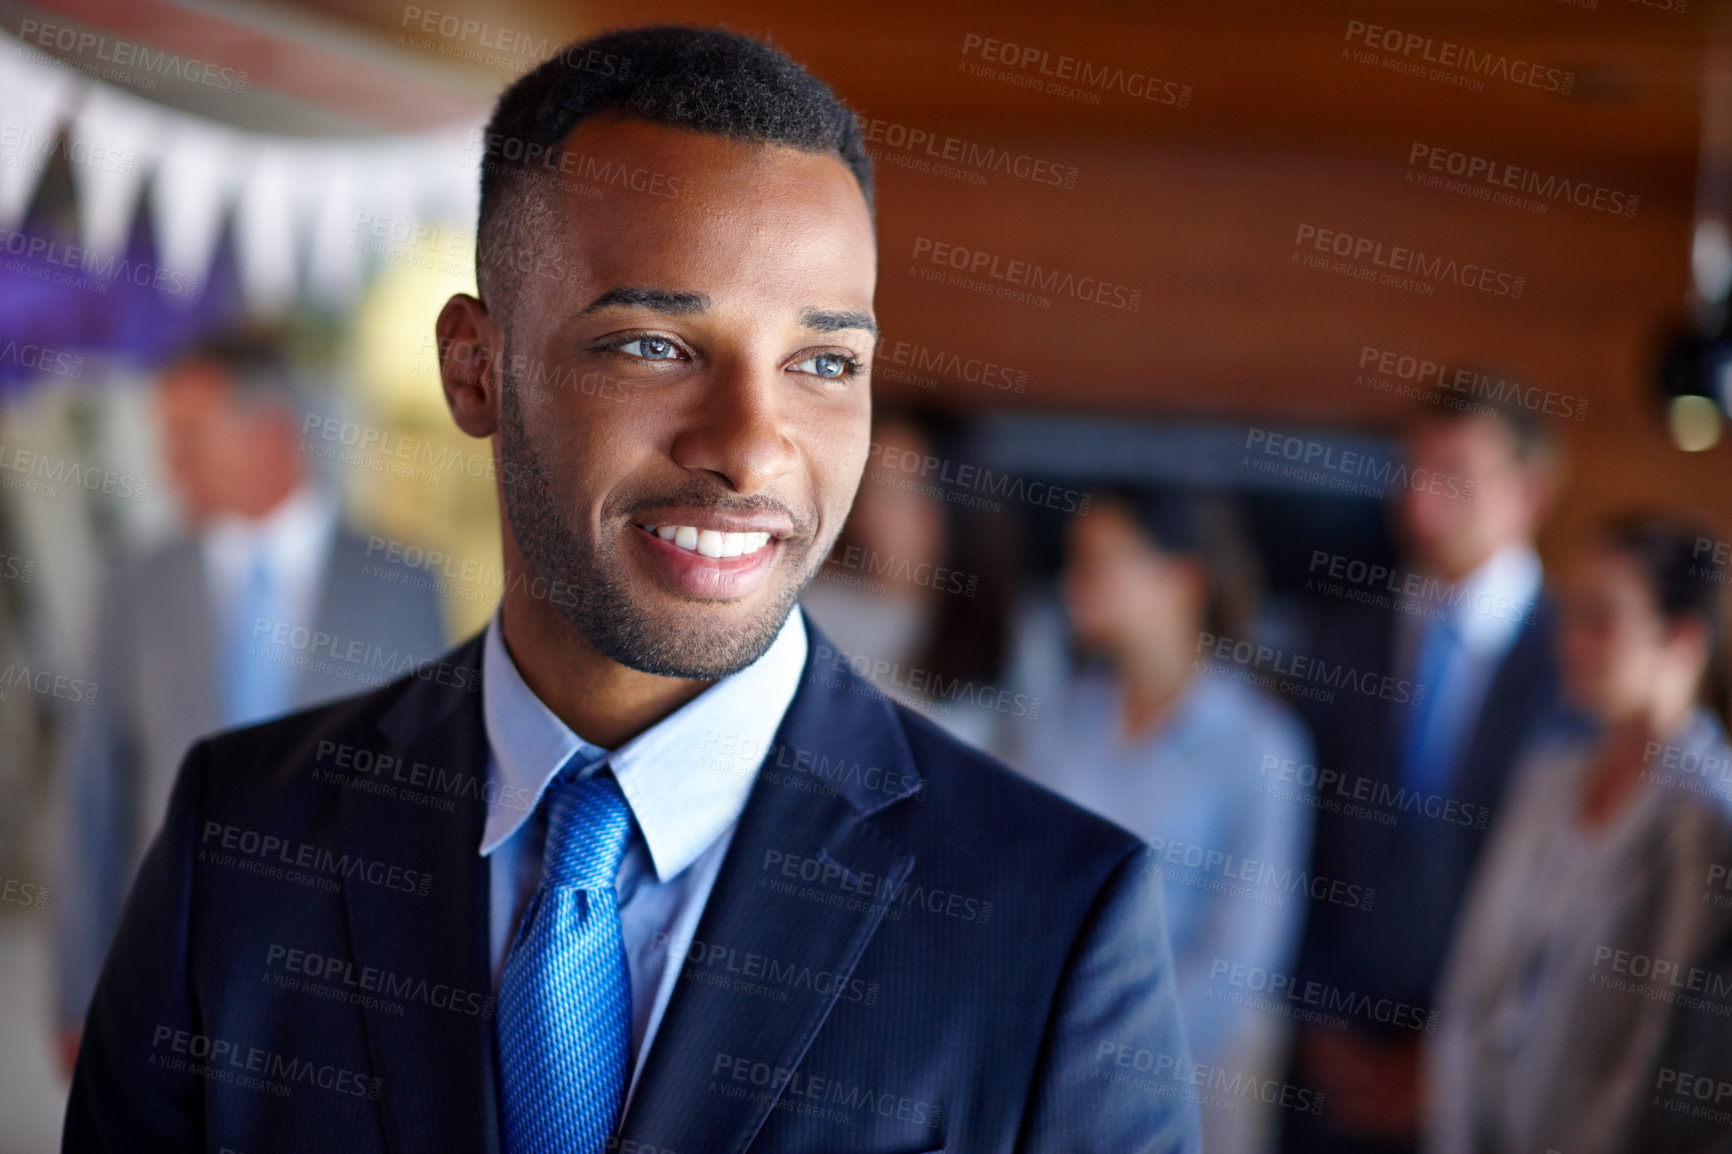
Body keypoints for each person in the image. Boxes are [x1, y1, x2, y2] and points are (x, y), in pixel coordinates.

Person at [63, 27, 1200, 1154]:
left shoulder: (1050, 919)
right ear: (474, 366)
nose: (752, 451)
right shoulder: (244, 835)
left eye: (822, 363)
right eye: (655, 344)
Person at [52, 333, 446, 1076]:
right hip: (163, 972)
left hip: (340, 990)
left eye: (187, 439)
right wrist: (78, 991)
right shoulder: (135, 584)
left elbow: (431, 800)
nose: (168, 466)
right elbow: (91, 793)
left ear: (267, 434)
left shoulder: (402, 582)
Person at [1284, 397, 1564, 1154]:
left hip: (1495, 1082)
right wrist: (1316, 1020)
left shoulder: (1577, 666)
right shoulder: (1337, 638)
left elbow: (1567, 901)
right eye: (1414, 473)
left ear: (1529, 493)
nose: (1422, 501)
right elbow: (1297, 839)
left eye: (1456, 477)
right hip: (1325, 1073)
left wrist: (1455, 1055)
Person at [1007, 487, 1314, 1154]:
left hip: (1185, 1081)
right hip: (1029, 1059)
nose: (1074, 584)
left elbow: (1241, 959)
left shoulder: (1259, 745)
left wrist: (1111, 1051)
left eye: (1100, 562)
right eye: (1074, 562)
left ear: (1183, 579)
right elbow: (1008, 885)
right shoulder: (1052, 720)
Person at [1426, 514, 1732, 1154]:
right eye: (1571, 616)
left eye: (1602, 620)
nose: (1572, 643)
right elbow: (1474, 972)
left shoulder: (1703, 812)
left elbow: (1663, 1033)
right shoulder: (1547, 778)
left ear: (1681, 637)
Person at [801, 406, 1020, 753]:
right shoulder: (814, 609)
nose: (875, 516)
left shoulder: (1019, 636)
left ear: (955, 506)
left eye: (902, 495)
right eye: (872, 488)